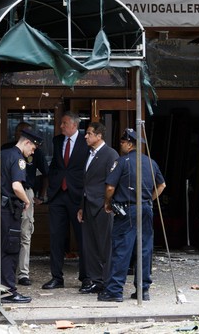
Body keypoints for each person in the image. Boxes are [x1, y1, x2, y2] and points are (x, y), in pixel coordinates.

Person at [98, 128, 166, 302]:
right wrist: (146, 200)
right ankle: (143, 290)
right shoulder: (151, 162)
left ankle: (114, 291)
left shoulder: (122, 162)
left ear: (129, 144)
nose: (120, 145)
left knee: (122, 249)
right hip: (146, 209)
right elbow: (161, 185)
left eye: (122, 142)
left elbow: (110, 187)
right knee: (144, 250)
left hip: (127, 211)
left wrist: (107, 203)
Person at [0, 129, 44, 303]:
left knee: (2, 247)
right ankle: (8, 291)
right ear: (27, 142)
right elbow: (16, 186)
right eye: (34, 147)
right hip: (10, 209)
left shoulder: (3, 155)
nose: (33, 151)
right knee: (10, 249)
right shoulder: (19, 159)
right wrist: (27, 201)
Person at [42, 111, 90, 291]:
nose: (60, 126)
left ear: (74, 125)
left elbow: (88, 169)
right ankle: (56, 277)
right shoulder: (57, 141)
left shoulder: (85, 141)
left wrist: (86, 195)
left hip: (77, 196)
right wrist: (51, 186)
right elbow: (55, 164)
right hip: (57, 195)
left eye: (64, 123)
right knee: (56, 237)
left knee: (82, 237)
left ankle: (86, 277)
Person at [2, 122, 49, 287]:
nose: (18, 133)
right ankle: (5, 274)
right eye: (17, 131)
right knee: (7, 234)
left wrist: (41, 197)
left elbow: (45, 175)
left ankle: (23, 273)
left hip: (27, 191)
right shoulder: (6, 150)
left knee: (25, 234)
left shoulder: (36, 152)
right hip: (9, 192)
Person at [77, 122, 119, 294]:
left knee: (105, 245)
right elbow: (86, 183)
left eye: (89, 133)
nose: (86, 136)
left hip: (103, 205)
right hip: (88, 204)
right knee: (90, 244)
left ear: (99, 136)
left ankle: (108, 281)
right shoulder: (89, 154)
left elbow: (112, 182)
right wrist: (81, 206)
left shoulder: (110, 154)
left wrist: (108, 203)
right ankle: (96, 280)